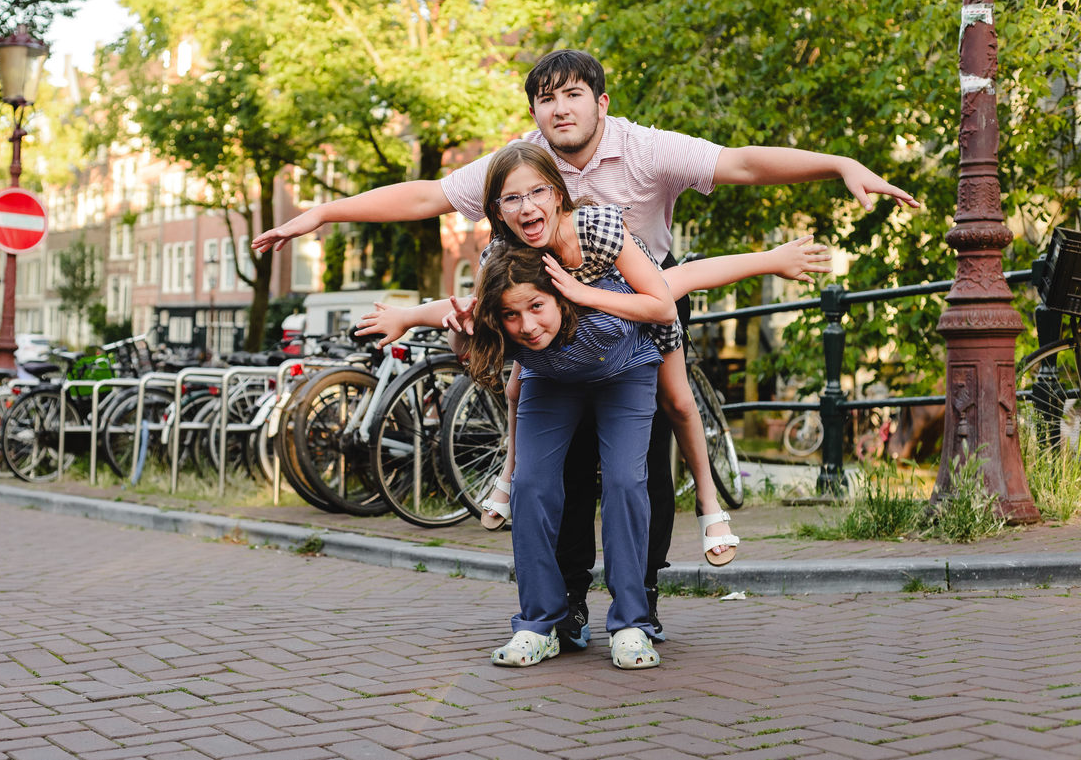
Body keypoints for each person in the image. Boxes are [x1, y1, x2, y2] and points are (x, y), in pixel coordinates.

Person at [253, 49, 920, 646]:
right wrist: (325, 213)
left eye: (572, 94)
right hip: (550, 303)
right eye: (545, 97)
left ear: (600, 103)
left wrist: (837, 164)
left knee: (642, 469)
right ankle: (564, 604)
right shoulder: (521, 167)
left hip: (642, 297)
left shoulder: (646, 149)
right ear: (534, 114)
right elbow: (429, 194)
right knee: (561, 464)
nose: (558, 107)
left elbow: (740, 164)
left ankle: (641, 603)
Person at [355, 141, 830, 571]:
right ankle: (509, 473)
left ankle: (709, 500)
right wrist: (409, 316)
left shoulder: (594, 228)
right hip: (566, 326)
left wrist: (772, 260)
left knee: (680, 403)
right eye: (511, 200)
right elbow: (474, 308)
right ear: (497, 212)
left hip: (635, 308)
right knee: (518, 385)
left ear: (558, 195)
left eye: (536, 193)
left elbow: (681, 282)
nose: (525, 207)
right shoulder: (508, 251)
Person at [453, 241, 664, 670]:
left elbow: (682, 285)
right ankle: (538, 624)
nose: (526, 325)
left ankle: (630, 624)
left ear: (560, 294)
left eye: (535, 307)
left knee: (625, 480)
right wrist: (443, 324)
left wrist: (772, 261)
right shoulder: (512, 328)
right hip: (549, 376)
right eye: (511, 315)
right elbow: (452, 325)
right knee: (530, 483)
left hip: (625, 372)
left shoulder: (604, 308)